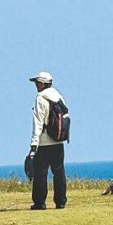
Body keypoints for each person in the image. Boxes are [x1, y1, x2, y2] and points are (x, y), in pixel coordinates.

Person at [28, 71, 69, 209]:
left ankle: (39, 202)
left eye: (37, 83)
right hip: (58, 141)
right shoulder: (58, 96)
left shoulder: (40, 98)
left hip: (44, 141)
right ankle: (61, 201)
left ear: (42, 83)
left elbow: (38, 123)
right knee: (59, 171)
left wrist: (34, 144)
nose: (36, 85)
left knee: (41, 172)